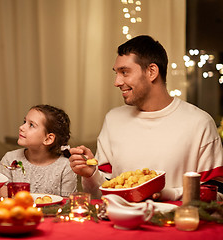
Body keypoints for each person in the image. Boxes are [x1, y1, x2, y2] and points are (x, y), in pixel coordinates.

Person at [69, 35, 223, 200]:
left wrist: (167, 194)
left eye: (124, 72)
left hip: (175, 222)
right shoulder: (113, 120)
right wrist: (91, 174)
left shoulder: (199, 123)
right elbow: (105, 191)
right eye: (116, 73)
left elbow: (216, 191)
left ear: (151, 72)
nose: (117, 82)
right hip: (121, 224)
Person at [0, 104, 77, 197]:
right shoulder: (10, 159)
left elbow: (67, 205)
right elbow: (5, 201)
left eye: (31, 125)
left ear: (48, 139)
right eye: (24, 121)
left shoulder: (66, 166)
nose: (21, 127)